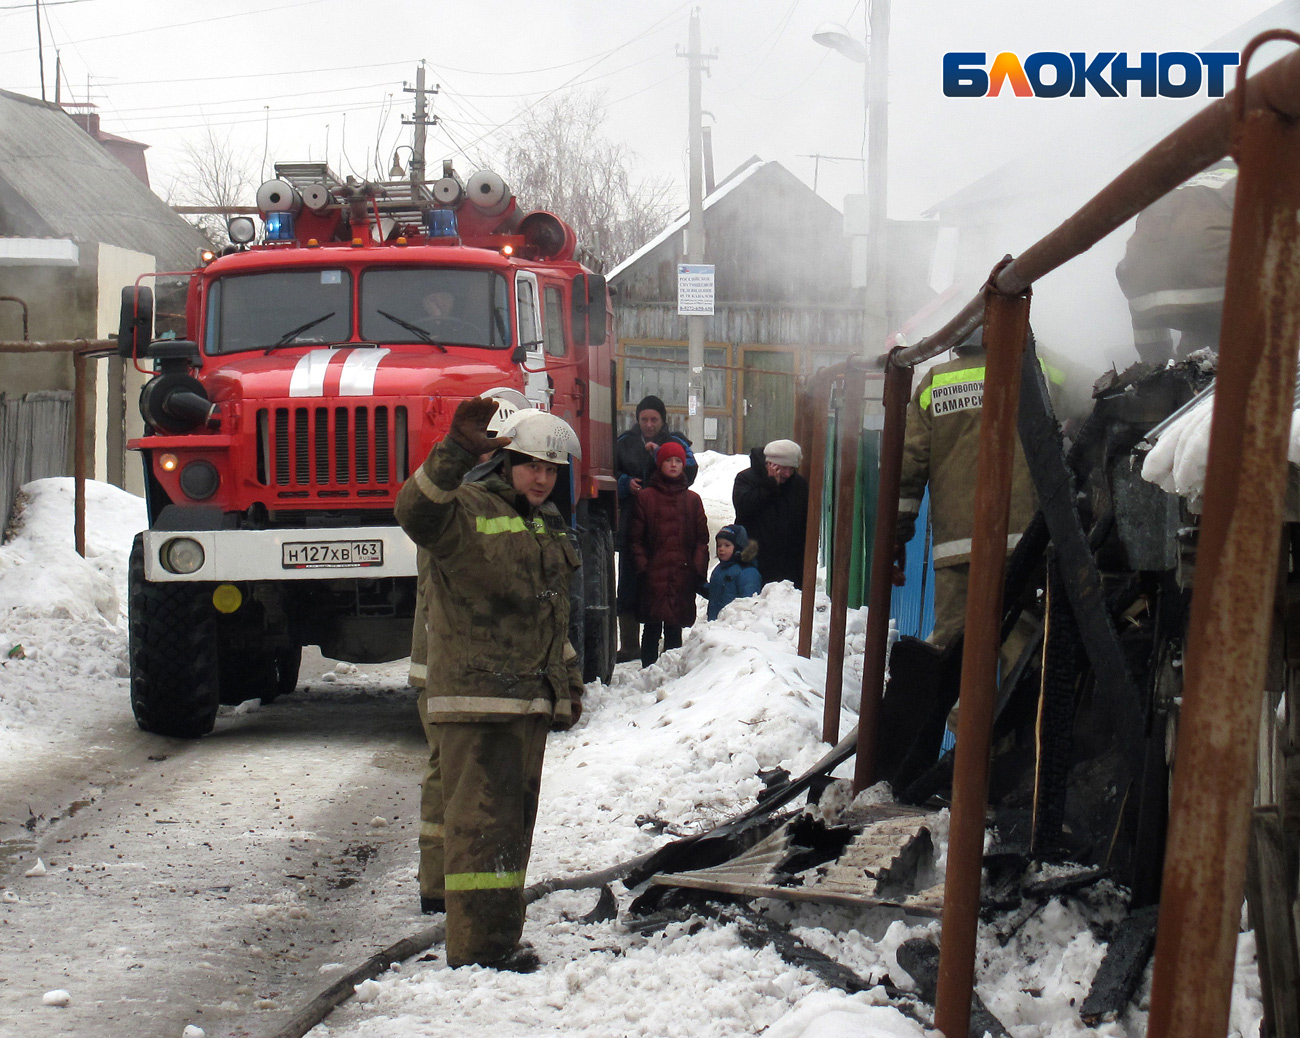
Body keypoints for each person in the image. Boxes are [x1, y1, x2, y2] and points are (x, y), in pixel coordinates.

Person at [395, 396, 584, 973]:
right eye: (532, 465)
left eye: (551, 470)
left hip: (524, 699)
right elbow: (415, 513)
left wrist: (566, 682)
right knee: (482, 830)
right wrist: (453, 453)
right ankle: (479, 951)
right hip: (479, 699)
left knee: (509, 829)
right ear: (507, 462)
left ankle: (495, 937)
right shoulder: (467, 508)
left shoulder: (546, 522)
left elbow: (551, 614)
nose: (542, 477)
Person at [894, 330, 1038, 664]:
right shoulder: (1040, 370)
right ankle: (1018, 717)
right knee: (1024, 653)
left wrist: (897, 535)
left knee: (956, 657)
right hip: (1026, 545)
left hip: (959, 549)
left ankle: (960, 718)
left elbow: (909, 465)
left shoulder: (935, 383)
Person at [614, 395, 696, 661]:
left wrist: (661, 454)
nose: (649, 424)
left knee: (667, 582)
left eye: (654, 419)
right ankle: (629, 644)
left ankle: (671, 647)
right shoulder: (624, 442)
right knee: (630, 581)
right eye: (644, 419)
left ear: (663, 420)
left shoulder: (676, 441)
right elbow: (610, 473)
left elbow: (690, 470)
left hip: (667, 523)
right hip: (632, 521)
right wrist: (626, 484)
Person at [629, 440, 709, 667]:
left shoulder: (692, 500)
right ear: (659, 464)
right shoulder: (646, 497)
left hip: (682, 574)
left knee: (675, 627)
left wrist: (696, 568)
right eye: (668, 461)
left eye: (678, 461)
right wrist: (644, 567)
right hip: (653, 576)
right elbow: (635, 538)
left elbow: (702, 539)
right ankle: (648, 670)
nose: (673, 465)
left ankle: (671, 673)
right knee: (652, 627)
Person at [732, 438, 809, 589]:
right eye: (783, 468)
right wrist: (770, 487)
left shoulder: (799, 484)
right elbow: (744, 507)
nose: (787, 474)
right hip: (756, 558)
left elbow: (803, 521)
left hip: (790, 561)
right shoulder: (746, 479)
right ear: (769, 463)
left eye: (791, 469)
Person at [701, 524, 762, 621]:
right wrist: (699, 586)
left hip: (733, 627)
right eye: (719, 545)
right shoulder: (719, 569)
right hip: (714, 625)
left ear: (739, 547)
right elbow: (715, 593)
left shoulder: (747, 572)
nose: (721, 549)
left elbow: (749, 603)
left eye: (727, 545)